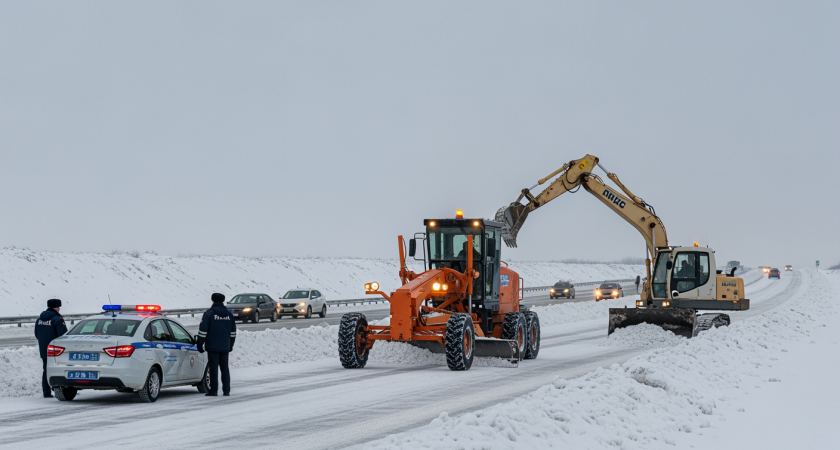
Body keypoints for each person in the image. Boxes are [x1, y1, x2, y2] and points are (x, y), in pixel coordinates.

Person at [196, 293, 236, 397]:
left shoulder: (209, 314)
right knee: (225, 368)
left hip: (212, 346)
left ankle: (213, 390)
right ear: (223, 301)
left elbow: (203, 331)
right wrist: (230, 345)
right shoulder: (229, 314)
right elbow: (233, 333)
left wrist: (200, 344)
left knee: (213, 368)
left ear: (213, 300)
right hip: (225, 346)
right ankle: (226, 391)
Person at [35, 299, 68, 398]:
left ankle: (46, 392)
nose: (59, 309)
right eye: (58, 307)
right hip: (56, 350)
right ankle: (66, 389)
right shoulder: (57, 319)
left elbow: (37, 334)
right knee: (60, 368)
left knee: (46, 369)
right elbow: (63, 335)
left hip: (44, 348)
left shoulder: (39, 319)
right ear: (56, 307)